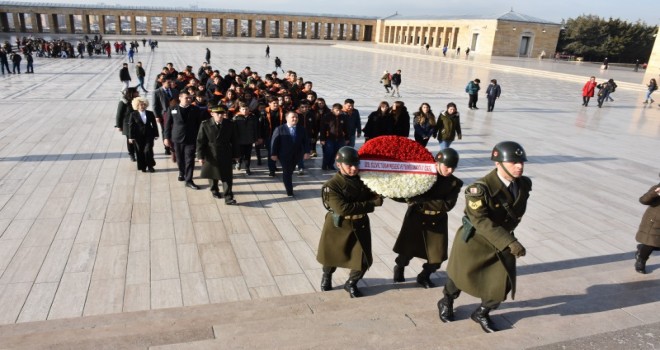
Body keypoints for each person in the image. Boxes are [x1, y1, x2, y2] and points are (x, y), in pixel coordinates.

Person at [438, 141, 531, 333]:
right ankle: (446, 300)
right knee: (459, 278)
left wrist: (507, 240)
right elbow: (480, 221)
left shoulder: (524, 184)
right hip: (475, 242)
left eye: (521, 162)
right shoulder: (479, 189)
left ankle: (482, 312)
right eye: (513, 162)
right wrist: (510, 242)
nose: (519, 166)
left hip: (501, 242)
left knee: (502, 285)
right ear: (498, 163)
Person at [317, 146, 384, 298]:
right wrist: (371, 204)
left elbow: (376, 195)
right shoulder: (332, 185)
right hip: (339, 226)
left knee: (364, 260)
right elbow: (343, 209)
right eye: (349, 165)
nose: (354, 168)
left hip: (360, 225)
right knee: (331, 257)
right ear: (339, 164)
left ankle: (351, 283)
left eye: (356, 164)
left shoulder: (364, 180)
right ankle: (327, 276)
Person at [393, 148, 463, 288]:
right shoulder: (422, 176)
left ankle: (424, 276)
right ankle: (399, 267)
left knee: (438, 256)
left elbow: (447, 205)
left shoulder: (455, 183)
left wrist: (421, 200)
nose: (450, 170)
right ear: (437, 163)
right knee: (407, 251)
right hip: (416, 218)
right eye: (447, 166)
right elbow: (403, 195)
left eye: (453, 168)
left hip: (437, 221)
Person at [196, 104, 238, 204]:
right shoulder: (205, 124)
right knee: (213, 174)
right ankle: (214, 190)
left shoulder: (230, 124)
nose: (220, 116)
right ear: (212, 114)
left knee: (227, 176)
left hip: (225, 152)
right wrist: (200, 156)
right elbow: (200, 141)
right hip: (211, 153)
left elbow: (235, 140)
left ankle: (228, 197)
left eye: (222, 113)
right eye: (218, 114)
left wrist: (236, 155)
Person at [164, 90, 204, 189]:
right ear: (180, 98)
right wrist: (166, 138)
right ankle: (182, 172)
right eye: (186, 98)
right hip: (177, 138)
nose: (189, 99)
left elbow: (199, 124)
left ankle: (189, 180)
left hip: (191, 138)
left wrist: (200, 138)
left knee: (190, 159)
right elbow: (167, 125)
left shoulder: (195, 109)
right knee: (179, 158)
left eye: (190, 98)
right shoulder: (173, 109)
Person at [270, 111, 311, 197]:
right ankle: (289, 190)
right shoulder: (280, 129)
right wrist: (273, 153)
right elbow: (274, 142)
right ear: (286, 118)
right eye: (292, 117)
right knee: (287, 172)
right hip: (284, 154)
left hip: (297, 154)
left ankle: (287, 181)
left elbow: (306, 141)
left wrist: (307, 152)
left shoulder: (301, 129)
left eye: (296, 117)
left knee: (290, 171)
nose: (295, 119)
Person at [633, 173, 660, 274]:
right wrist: (654, 193)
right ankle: (641, 260)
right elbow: (643, 200)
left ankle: (641, 249)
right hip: (654, 222)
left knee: (656, 245)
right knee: (651, 243)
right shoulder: (657, 189)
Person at [127, 96, 159, 173]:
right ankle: (143, 166)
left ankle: (150, 166)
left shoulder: (150, 113)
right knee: (140, 151)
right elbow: (131, 126)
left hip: (149, 135)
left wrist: (156, 134)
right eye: (141, 105)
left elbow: (154, 124)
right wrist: (131, 137)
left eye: (144, 104)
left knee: (148, 150)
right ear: (137, 105)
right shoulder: (133, 114)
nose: (143, 106)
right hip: (138, 136)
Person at [319, 103, 348, 171]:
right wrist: (322, 139)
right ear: (333, 110)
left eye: (340, 110)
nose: (338, 112)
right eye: (337, 110)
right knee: (328, 152)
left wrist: (347, 138)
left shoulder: (343, 117)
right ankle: (325, 165)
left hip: (340, 138)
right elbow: (322, 129)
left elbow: (346, 128)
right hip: (329, 138)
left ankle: (331, 165)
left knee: (336, 152)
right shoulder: (327, 117)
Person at [233, 102, 260, 175]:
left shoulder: (253, 117)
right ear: (240, 109)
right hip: (240, 141)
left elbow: (256, 129)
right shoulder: (236, 118)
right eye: (243, 109)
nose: (245, 111)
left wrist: (256, 139)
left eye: (246, 109)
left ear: (249, 109)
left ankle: (247, 168)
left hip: (249, 140)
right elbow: (234, 131)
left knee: (248, 155)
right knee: (240, 154)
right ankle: (238, 162)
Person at [115, 87, 139, 162]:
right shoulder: (123, 102)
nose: (137, 93)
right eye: (136, 92)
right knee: (130, 139)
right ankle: (131, 153)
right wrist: (119, 125)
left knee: (137, 139)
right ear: (131, 93)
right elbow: (119, 114)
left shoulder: (137, 100)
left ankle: (138, 152)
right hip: (127, 124)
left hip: (137, 123)